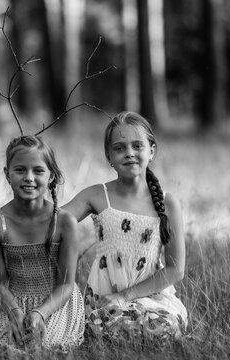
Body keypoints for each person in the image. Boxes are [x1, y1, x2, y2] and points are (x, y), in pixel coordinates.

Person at [62, 111, 187, 344]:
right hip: (105, 298)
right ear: (109, 156)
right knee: (109, 326)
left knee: (161, 329)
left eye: (137, 146)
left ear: (151, 151)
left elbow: (175, 269)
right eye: (119, 148)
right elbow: (57, 221)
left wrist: (126, 296)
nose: (129, 153)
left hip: (151, 297)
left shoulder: (168, 203)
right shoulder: (97, 195)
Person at [0, 135, 84, 353]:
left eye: (38, 170)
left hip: (55, 302)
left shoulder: (65, 223)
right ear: (7, 174)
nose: (29, 177)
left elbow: (66, 284)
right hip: (10, 301)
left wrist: (40, 312)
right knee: (5, 350)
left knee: (44, 348)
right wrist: (14, 311)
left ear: (51, 176)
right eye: (20, 170)